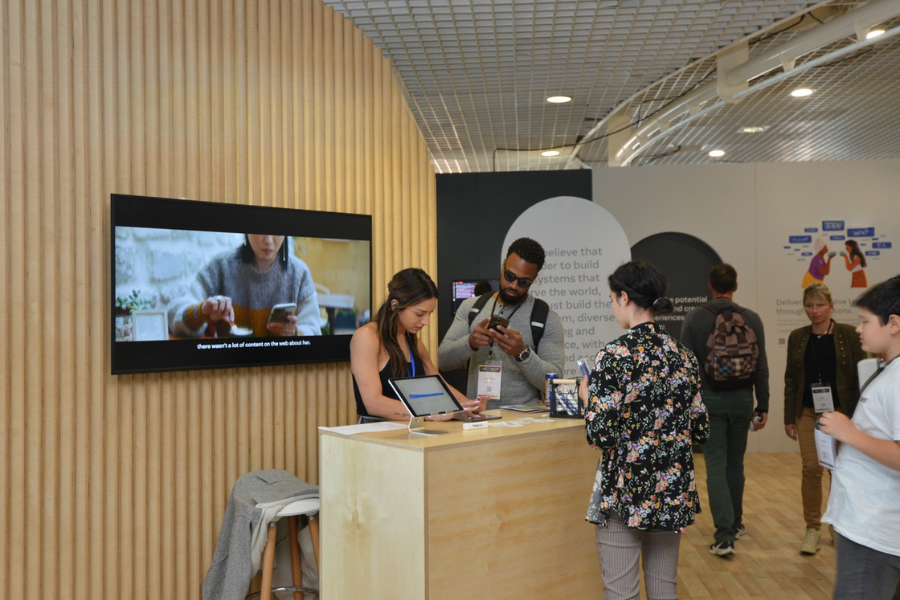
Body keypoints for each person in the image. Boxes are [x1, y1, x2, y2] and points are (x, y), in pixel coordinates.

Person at [579, 261, 709, 600]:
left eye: (612, 299)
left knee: (621, 591)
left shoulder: (614, 355)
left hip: (626, 491)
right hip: (671, 491)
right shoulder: (683, 356)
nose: (612, 306)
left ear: (624, 297)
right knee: (664, 588)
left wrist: (589, 400)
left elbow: (601, 436)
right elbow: (700, 429)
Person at [680, 263, 770, 557]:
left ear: (709, 286)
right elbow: (761, 367)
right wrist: (763, 405)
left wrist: (687, 407)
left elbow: (686, 369)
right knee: (735, 463)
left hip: (709, 401)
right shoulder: (751, 318)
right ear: (736, 286)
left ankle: (724, 536)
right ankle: (736, 523)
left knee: (715, 464)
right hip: (743, 400)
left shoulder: (695, 318)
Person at [820, 276, 900, 600]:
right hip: (866, 523)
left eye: (865, 321)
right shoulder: (886, 370)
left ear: (893, 324)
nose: (858, 328)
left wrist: (849, 433)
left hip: (875, 531)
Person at [783, 283, 866, 555]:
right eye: (809, 305)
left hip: (841, 412)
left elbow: (861, 378)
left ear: (831, 305)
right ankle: (812, 528)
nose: (814, 310)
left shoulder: (848, 335)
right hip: (808, 411)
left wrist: (858, 416)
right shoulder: (797, 337)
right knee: (811, 468)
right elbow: (791, 380)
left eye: (820, 304)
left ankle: (837, 524)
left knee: (838, 469)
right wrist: (789, 417)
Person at [438, 237, 564, 408]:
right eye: (509, 276)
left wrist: (522, 353)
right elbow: (443, 361)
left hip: (524, 420)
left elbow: (554, 382)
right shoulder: (471, 307)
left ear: (534, 278)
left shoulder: (546, 318)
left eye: (524, 282)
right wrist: (471, 342)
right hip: (478, 416)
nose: (514, 285)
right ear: (503, 265)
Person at [351, 268, 480, 421]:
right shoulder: (366, 336)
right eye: (419, 314)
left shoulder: (414, 342)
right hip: (377, 428)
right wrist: (430, 413)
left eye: (430, 313)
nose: (426, 321)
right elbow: (373, 403)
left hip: (413, 427)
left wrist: (470, 405)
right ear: (395, 305)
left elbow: (440, 386)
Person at [168, 234, 321, 337]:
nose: (268, 240)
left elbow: (314, 331)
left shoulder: (299, 273)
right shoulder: (221, 266)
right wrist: (202, 311)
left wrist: (295, 334)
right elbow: (173, 315)